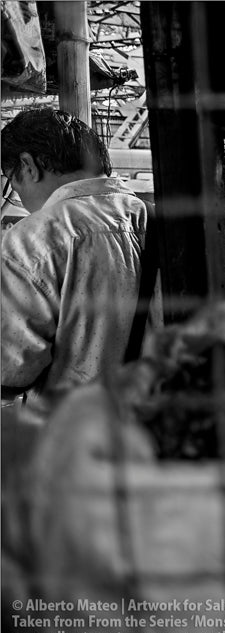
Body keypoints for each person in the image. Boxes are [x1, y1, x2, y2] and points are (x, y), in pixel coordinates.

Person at [0, 108, 150, 413]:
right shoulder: (155, 219)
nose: (19, 197)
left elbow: (12, 369)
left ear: (27, 166)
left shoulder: (35, 238)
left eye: (11, 185)